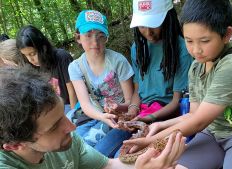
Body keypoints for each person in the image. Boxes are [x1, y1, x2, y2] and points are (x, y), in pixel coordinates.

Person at [125, 0, 232, 169]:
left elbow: (199, 121)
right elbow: (194, 114)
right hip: (214, 134)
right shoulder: (196, 67)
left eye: (204, 41)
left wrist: (151, 141)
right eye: (189, 41)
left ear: (226, 34)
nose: (196, 50)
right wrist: (159, 125)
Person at [0, 67, 186, 169]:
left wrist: (149, 162)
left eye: (63, 116)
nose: (71, 127)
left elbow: (107, 166)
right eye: (54, 126)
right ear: (15, 145)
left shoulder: (68, 141)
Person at [68, 10, 134, 157]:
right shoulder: (75, 67)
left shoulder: (118, 61)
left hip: (121, 117)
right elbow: (85, 104)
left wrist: (118, 108)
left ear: (106, 38)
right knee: (73, 147)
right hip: (95, 115)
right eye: (88, 35)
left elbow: (130, 101)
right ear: (78, 37)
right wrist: (102, 116)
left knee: (97, 153)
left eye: (100, 36)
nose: (95, 42)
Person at [127, 0, 193, 124]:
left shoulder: (181, 49)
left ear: (168, 19)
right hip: (142, 113)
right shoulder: (138, 49)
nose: (148, 32)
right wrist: (132, 110)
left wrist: (151, 118)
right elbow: (137, 90)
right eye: (142, 26)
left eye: (153, 25)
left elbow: (177, 101)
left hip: (166, 116)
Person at [16, 25, 77, 113]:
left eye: (32, 54)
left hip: (70, 105)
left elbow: (73, 91)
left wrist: (73, 114)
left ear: (43, 48)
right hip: (53, 108)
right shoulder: (31, 67)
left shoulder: (62, 57)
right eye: (25, 55)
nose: (30, 59)